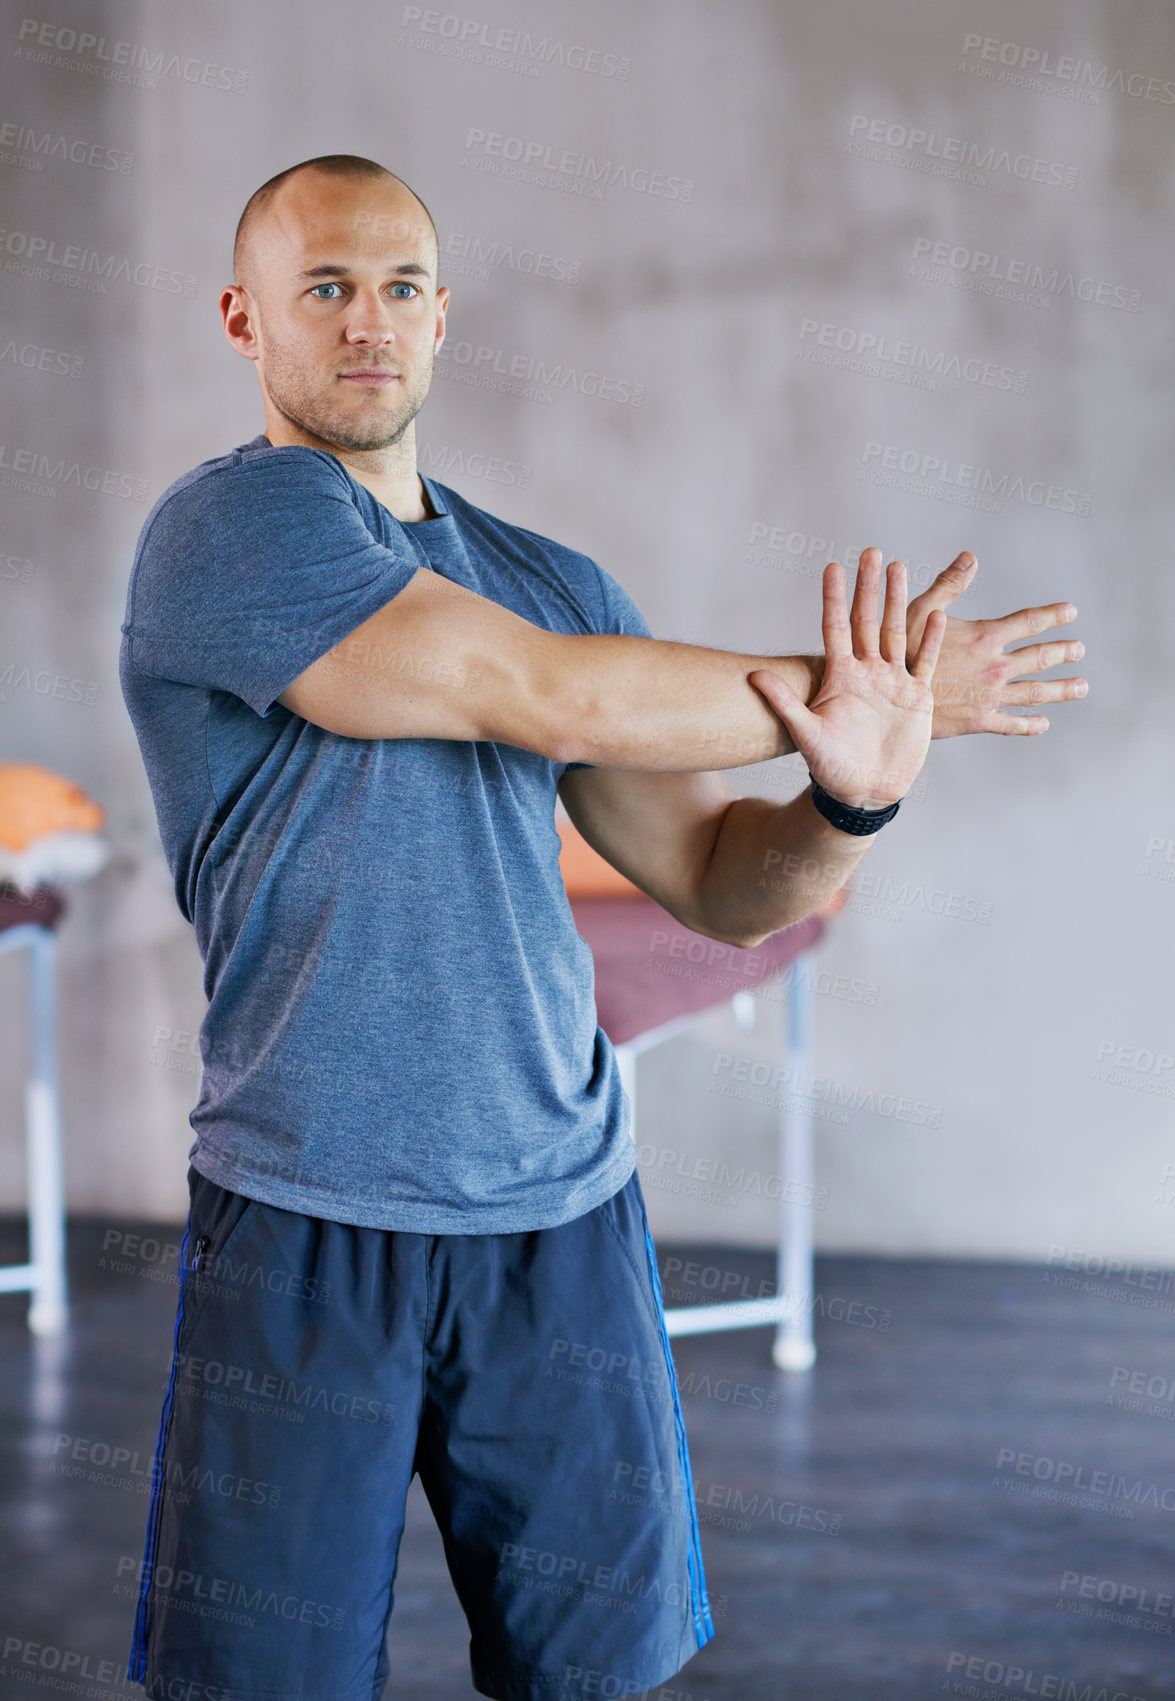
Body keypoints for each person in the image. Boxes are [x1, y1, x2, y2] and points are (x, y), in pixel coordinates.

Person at [118, 153, 1087, 1701]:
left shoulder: (551, 578)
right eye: (325, 288)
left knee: (598, 1677)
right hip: (306, 1215)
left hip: (557, 1226)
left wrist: (851, 797)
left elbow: (714, 871)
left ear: (445, 321)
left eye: (402, 288)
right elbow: (532, 691)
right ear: (245, 319)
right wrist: (843, 688)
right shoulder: (231, 534)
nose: (369, 322)